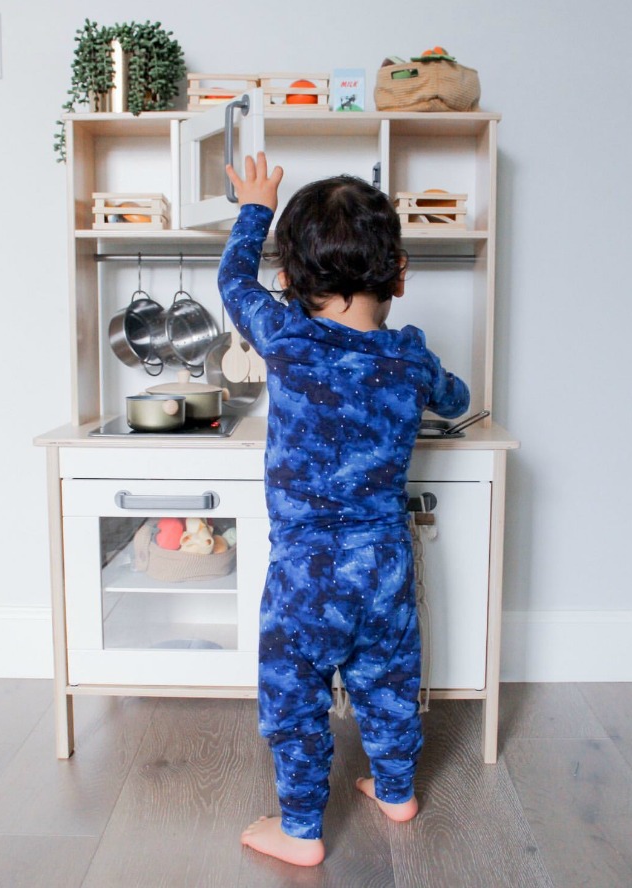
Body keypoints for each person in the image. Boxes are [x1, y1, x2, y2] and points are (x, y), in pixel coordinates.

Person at [218, 153, 470, 867]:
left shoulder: (286, 337)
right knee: (387, 676)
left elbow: (234, 279)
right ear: (398, 274)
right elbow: (453, 399)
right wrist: (436, 386)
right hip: (384, 560)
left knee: (295, 696)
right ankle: (395, 790)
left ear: (292, 280)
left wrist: (254, 207)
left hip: (306, 571)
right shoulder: (411, 358)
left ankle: (301, 829)